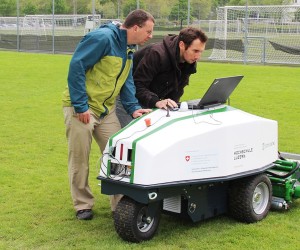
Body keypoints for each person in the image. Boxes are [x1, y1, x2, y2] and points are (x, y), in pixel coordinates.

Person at [62, 9, 155, 220]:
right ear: (135, 27)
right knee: (80, 158)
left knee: (118, 154)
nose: (150, 36)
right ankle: (83, 204)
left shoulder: (129, 48)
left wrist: (132, 107)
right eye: (148, 31)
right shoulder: (102, 38)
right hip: (82, 109)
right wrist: (80, 105)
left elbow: (126, 79)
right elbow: (77, 66)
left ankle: (121, 204)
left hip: (107, 110)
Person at [116, 27, 208, 127]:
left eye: (201, 52)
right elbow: (137, 84)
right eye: (195, 51)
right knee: (132, 135)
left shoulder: (189, 61)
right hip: (126, 98)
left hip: (148, 99)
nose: (198, 56)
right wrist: (156, 102)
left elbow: (177, 89)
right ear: (182, 45)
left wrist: (174, 106)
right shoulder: (157, 54)